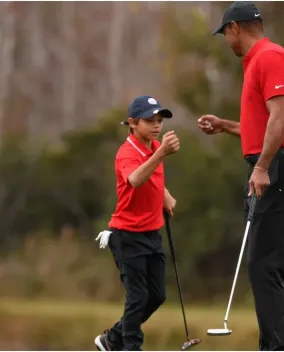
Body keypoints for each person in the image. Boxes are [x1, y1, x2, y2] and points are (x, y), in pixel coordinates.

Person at [198, 2, 284, 351]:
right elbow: (264, 127)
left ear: (236, 28)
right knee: (261, 265)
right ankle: (273, 346)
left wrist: (262, 167)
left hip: (279, 169)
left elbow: (281, 118)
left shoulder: (269, 57)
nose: (226, 40)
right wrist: (225, 127)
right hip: (272, 165)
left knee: (262, 265)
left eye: (225, 33)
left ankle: (274, 348)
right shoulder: (255, 63)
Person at [94, 95, 180, 351]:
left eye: (159, 120)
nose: (156, 126)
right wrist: (162, 153)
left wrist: (164, 195)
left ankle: (112, 339)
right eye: (149, 121)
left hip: (152, 233)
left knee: (157, 296)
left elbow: (151, 178)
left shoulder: (153, 146)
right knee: (138, 297)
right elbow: (134, 179)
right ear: (132, 123)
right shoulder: (127, 152)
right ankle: (130, 347)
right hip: (127, 235)